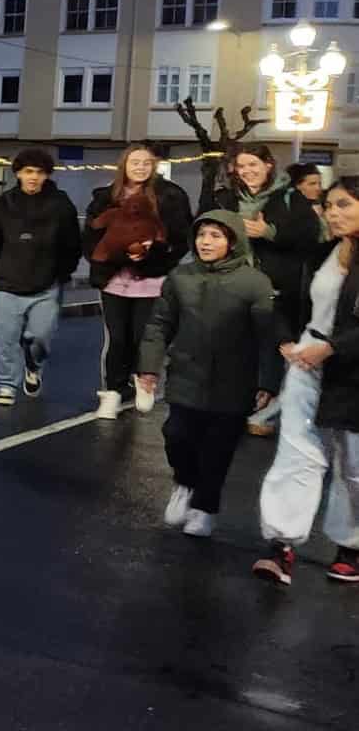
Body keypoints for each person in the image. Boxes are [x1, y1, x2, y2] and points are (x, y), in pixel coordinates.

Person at [137, 211, 279, 538]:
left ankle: (205, 508)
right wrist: (149, 366)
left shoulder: (254, 281)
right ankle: (185, 483)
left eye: (216, 235)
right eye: (202, 235)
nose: (206, 242)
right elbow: (160, 324)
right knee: (176, 435)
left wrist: (267, 381)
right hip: (187, 373)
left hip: (234, 380)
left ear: (232, 241)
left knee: (218, 448)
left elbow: (267, 335)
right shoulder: (181, 277)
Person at [252, 177, 359, 586]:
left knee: (354, 464)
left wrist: (332, 348)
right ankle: (280, 545)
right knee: (296, 454)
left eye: (345, 204)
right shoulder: (322, 254)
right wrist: (285, 339)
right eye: (330, 205)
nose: (334, 212)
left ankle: (350, 545)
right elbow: (290, 301)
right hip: (307, 363)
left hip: (352, 371)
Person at [214, 144, 322, 435]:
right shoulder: (226, 198)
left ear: (268, 165)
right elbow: (205, 230)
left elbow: (311, 237)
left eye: (254, 164)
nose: (248, 171)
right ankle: (238, 402)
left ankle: (267, 405)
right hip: (234, 283)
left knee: (272, 345)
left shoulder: (288, 197)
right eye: (242, 166)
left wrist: (269, 232)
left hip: (277, 285)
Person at [83, 145, 192, 419]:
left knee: (145, 336)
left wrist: (152, 254)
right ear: (124, 165)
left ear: (153, 165)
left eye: (146, 162)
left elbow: (180, 238)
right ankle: (112, 391)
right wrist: (113, 256)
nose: (140, 167)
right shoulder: (105, 197)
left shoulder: (170, 195)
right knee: (117, 337)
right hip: (113, 279)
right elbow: (92, 233)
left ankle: (144, 380)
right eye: (135, 162)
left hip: (152, 279)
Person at [0, 148, 81, 406]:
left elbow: (73, 242)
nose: (33, 177)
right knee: (6, 338)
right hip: (7, 282)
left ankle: (33, 366)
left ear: (46, 175)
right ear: (18, 174)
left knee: (40, 336)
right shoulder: (4, 202)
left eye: (38, 172)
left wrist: (62, 272)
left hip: (46, 284)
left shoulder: (60, 204)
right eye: (28, 172)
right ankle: (5, 384)